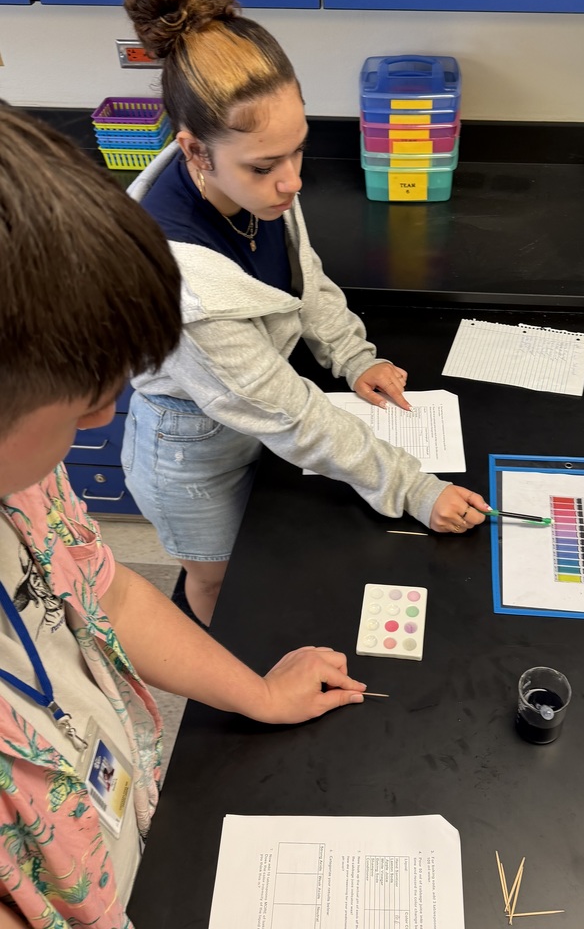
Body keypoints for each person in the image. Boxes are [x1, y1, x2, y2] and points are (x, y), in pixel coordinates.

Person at [0, 104, 367, 929]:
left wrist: (258, 696)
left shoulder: (23, 486)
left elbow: (113, 596)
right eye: (79, 408)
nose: (102, 422)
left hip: (121, 833)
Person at [121, 0, 490, 625]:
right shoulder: (185, 286)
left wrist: (355, 357)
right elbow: (289, 412)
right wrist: (412, 487)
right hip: (191, 452)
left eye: (298, 149)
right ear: (193, 149)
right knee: (222, 590)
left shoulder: (253, 179)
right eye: (267, 165)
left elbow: (302, 276)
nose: (291, 182)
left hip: (253, 417)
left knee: (271, 575)